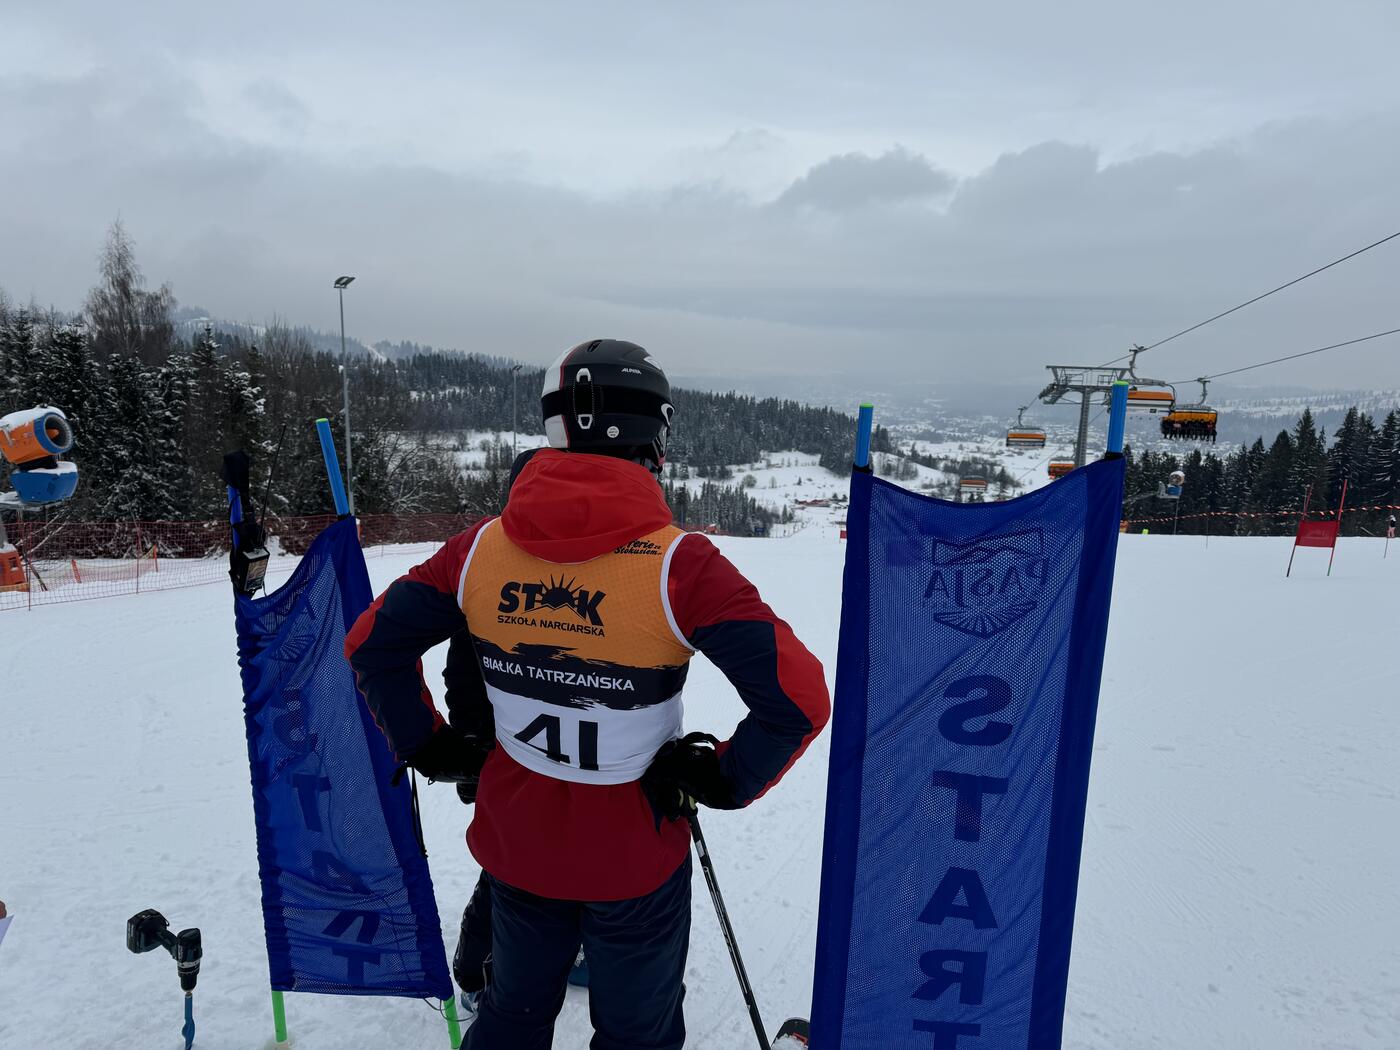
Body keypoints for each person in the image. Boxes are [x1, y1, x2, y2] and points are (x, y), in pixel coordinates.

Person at [347, 339, 831, 1050]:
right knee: (638, 1033)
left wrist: (431, 744)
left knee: (511, 1017)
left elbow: (372, 643)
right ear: (653, 438)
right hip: (635, 852)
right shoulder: (681, 564)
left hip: (520, 843)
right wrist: (721, 777)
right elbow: (798, 696)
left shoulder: (480, 549)